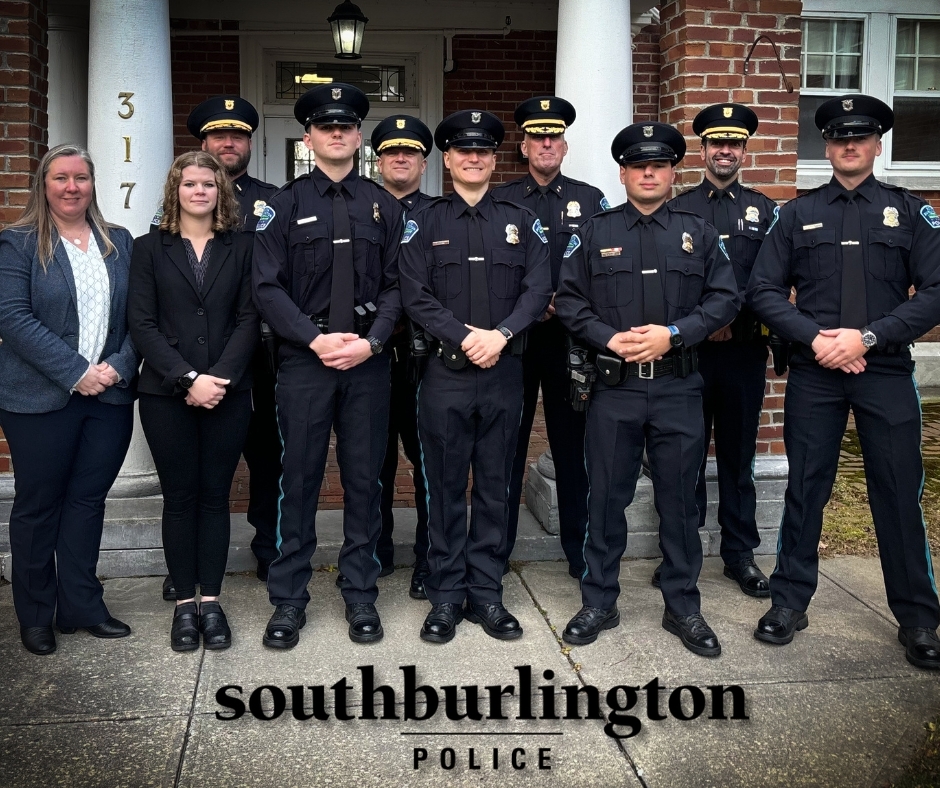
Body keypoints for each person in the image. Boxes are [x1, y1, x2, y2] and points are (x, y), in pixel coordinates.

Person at [746, 94, 940, 670]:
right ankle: (788, 602)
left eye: (859, 137)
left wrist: (868, 338)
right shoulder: (796, 213)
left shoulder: (910, 212)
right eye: (836, 138)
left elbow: (934, 291)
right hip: (816, 374)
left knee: (899, 490)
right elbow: (761, 290)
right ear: (825, 145)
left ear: (878, 144)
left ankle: (919, 618)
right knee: (806, 487)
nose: (848, 146)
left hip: (884, 370)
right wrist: (819, 341)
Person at [554, 122, 739, 656]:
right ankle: (599, 601)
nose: (649, 173)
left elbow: (725, 299)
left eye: (658, 165)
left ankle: (683, 607)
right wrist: (610, 338)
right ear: (624, 172)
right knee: (605, 497)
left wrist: (674, 334)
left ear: (672, 171)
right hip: (615, 391)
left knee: (680, 502)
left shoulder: (699, 232)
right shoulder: (594, 231)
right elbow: (569, 301)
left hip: (679, 388)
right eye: (639, 165)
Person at [253, 83, 403, 648]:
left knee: (365, 481)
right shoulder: (283, 206)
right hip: (305, 362)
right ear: (309, 137)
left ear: (359, 137)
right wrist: (314, 341)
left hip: (367, 361)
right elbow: (266, 287)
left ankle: (361, 595)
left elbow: (398, 286)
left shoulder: (384, 206)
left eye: (346, 126)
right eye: (325, 126)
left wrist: (374, 341)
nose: (336, 133)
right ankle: (289, 599)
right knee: (300, 479)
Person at [399, 109, 552, 644]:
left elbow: (538, 288)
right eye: (464, 151)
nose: (473, 158)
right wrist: (466, 336)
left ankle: (486, 594)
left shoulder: (520, 219)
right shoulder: (426, 221)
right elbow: (413, 292)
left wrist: (502, 334)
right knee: (442, 488)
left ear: (493, 159)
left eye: (483, 151)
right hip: (444, 373)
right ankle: (444, 596)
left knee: (495, 486)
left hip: (505, 370)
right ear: (447, 158)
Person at [0, 143, 139, 656]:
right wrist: (75, 373)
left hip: (109, 398)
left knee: (86, 503)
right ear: (44, 184)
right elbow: (12, 318)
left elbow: (139, 318)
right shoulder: (17, 244)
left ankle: (81, 605)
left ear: (92, 184)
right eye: (61, 178)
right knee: (39, 506)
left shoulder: (118, 241)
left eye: (81, 177)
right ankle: (35, 614)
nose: (71, 187)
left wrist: (120, 368)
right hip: (38, 399)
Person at [129, 151, 259, 651]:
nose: (199, 191)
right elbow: (141, 324)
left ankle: (211, 600)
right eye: (190, 184)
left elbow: (251, 318)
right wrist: (187, 378)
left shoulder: (242, 247)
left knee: (215, 498)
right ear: (175, 191)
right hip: (165, 394)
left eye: (208, 183)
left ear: (220, 192)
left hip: (228, 393)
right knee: (180, 499)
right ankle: (184, 605)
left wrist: (219, 378)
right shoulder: (149, 249)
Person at [158, 96, 280, 602]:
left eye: (237, 135)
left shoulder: (275, 201)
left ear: (249, 143)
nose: (228, 143)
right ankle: (185, 566)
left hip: (266, 354)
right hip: (195, 362)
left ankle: (269, 546)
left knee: (268, 457)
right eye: (217, 135)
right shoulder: (178, 204)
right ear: (202, 145)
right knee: (193, 472)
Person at [662, 103, 778, 596]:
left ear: (743, 150)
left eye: (733, 143)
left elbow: (774, 280)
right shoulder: (679, 208)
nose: (724, 150)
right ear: (703, 150)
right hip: (689, 354)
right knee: (683, 458)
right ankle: (681, 553)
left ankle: (739, 554)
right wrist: (701, 325)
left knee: (737, 457)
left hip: (743, 352)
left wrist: (734, 320)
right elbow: (668, 281)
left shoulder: (766, 211)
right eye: (716, 143)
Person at [492, 96, 609, 579]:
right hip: (516, 341)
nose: (546, 143)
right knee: (504, 448)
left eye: (553, 136)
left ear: (564, 145)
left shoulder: (592, 198)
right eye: (537, 136)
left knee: (572, 449)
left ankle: (579, 552)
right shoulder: (502, 200)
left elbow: (603, 266)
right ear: (523, 145)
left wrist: (569, 301)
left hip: (571, 342)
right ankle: (494, 553)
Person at [366, 114, 436, 599]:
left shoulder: (439, 212)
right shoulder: (358, 208)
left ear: (424, 161)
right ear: (379, 159)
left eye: (409, 151)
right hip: (371, 355)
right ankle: (377, 551)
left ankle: (430, 557)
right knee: (372, 462)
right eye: (392, 151)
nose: (401, 158)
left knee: (428, 461)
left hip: (427, 356)